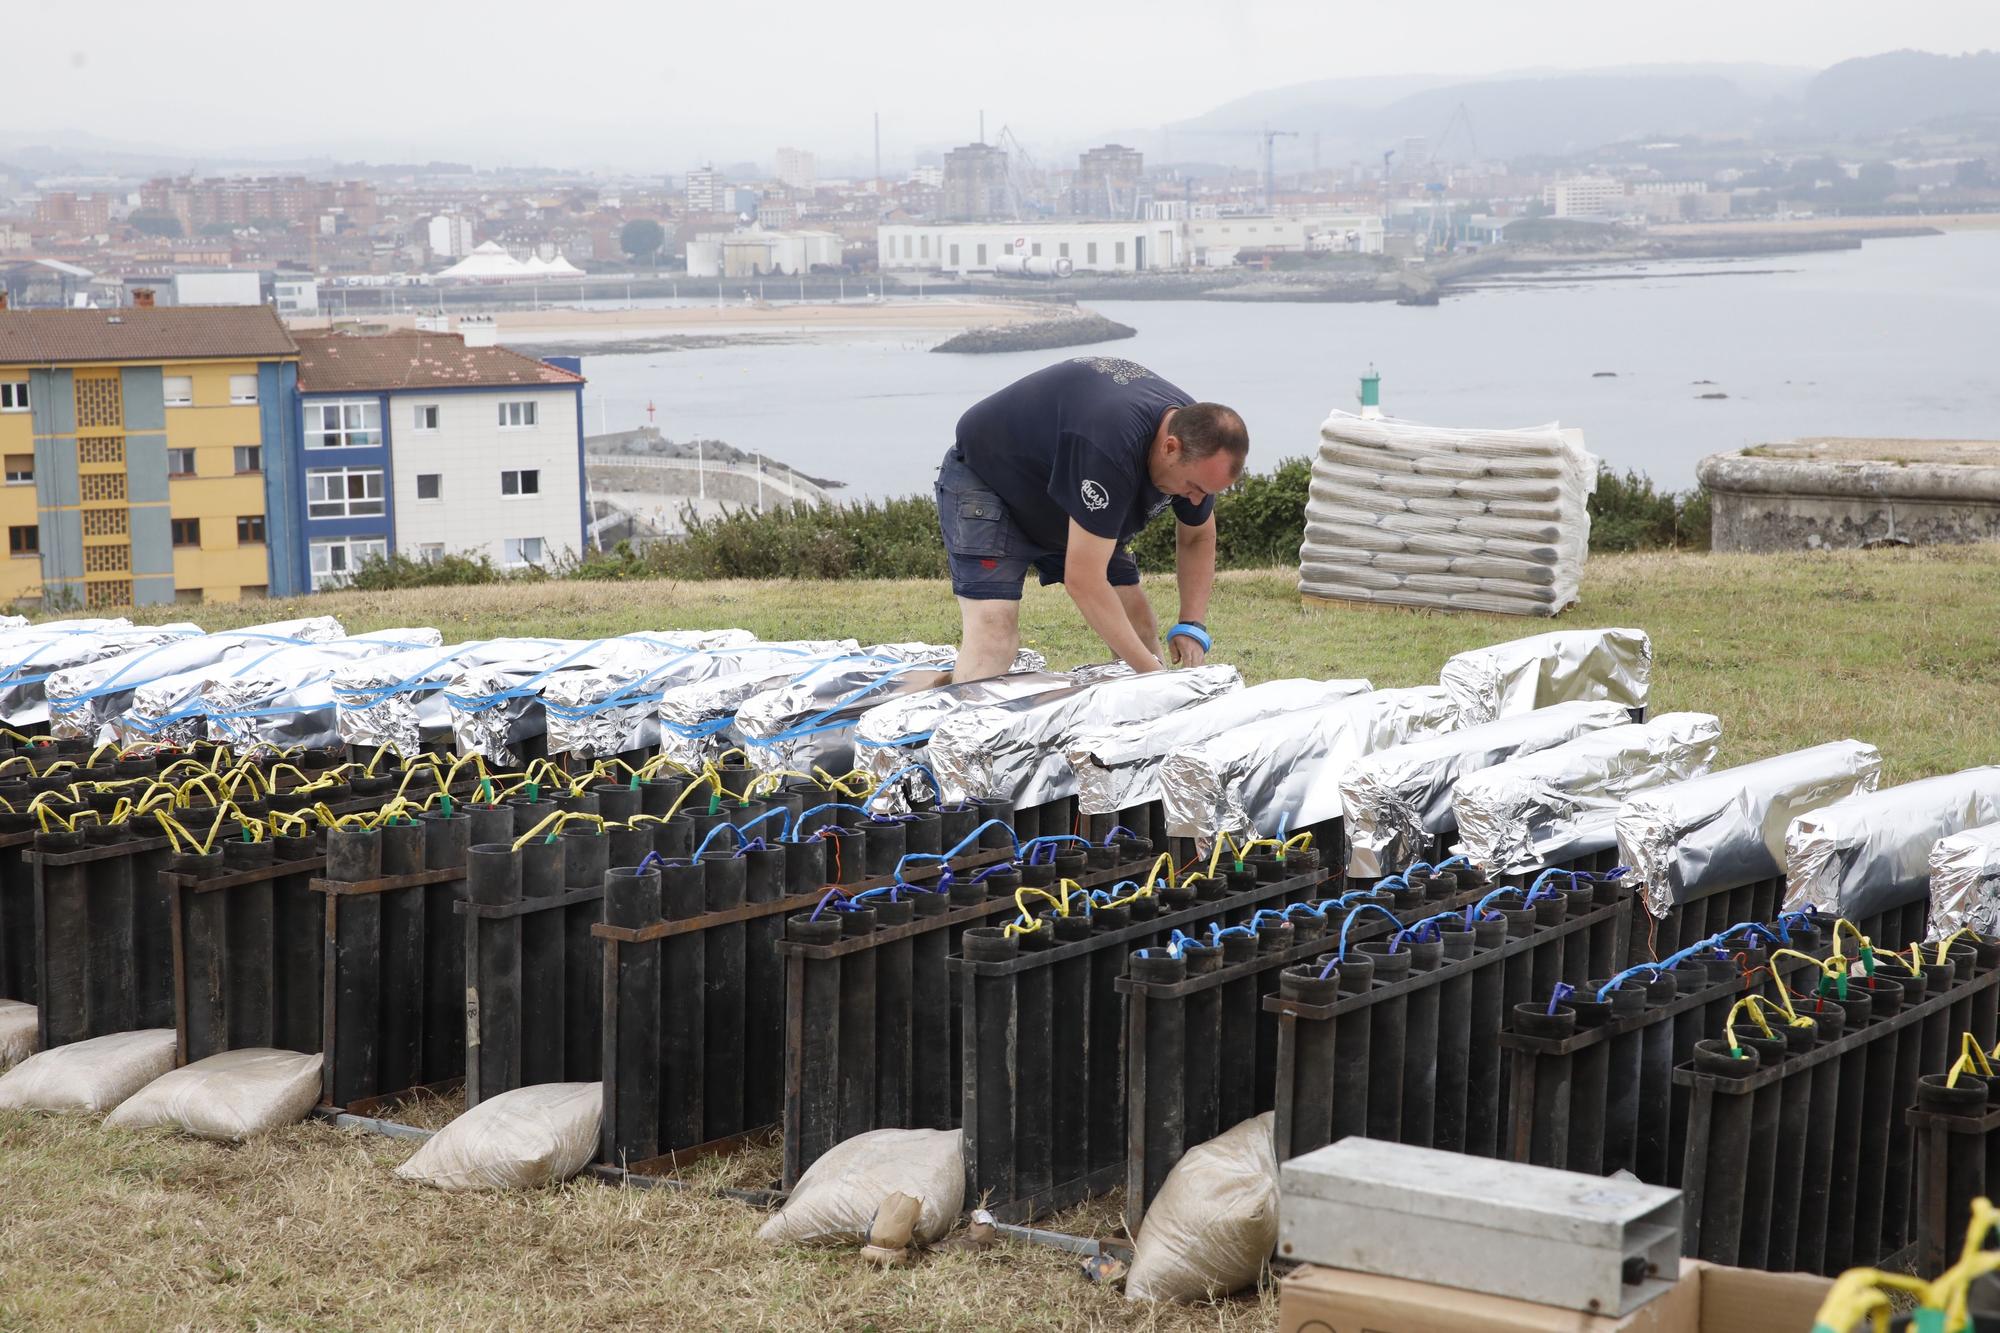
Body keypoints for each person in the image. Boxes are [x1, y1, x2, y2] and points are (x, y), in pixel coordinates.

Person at [935, 356, 1249, 681]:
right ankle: (954, 725)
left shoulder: (1199, 444)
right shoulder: (1111, 445)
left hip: (1065, 494)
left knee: (1139, 628)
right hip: (991, 481)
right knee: (994, 635)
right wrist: (1153, 679)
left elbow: (1198, 535)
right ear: (1170, 447)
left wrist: (1191, 624)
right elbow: (1083, 581)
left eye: (1209, 492)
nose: (1198, 500)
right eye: (1195, 488)